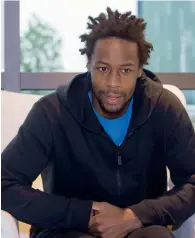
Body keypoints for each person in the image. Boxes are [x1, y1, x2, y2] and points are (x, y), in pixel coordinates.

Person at [1, 7, 195, 238]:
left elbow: (192, 182)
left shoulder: (164, 108)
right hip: (66, 230)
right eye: (103, 69)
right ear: (88, 64)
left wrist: (135, 216)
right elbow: (5, 184)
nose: (113, 83)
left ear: (139, 70)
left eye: (125, 70)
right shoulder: (52, 112)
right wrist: (83, 214)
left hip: (141, 228)